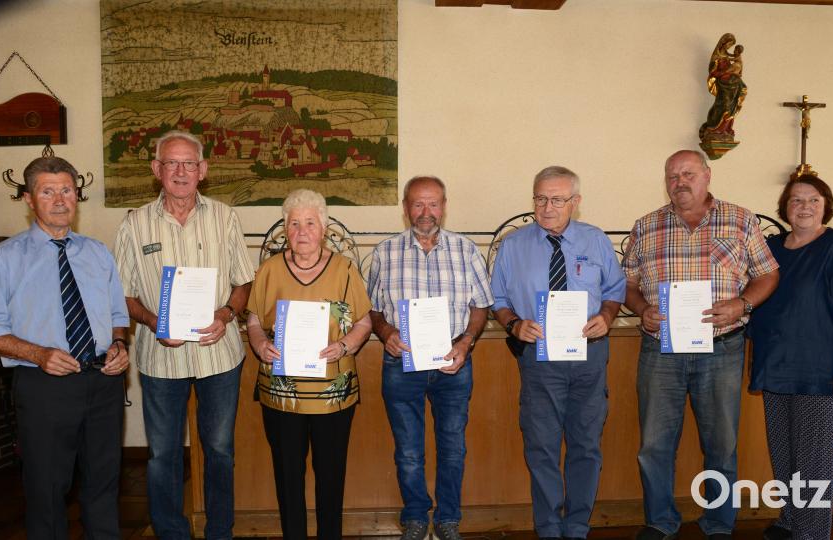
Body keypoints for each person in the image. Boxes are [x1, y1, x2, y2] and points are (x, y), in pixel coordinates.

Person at [0, 156, 129, 540]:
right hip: (44, 386)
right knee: (47, 491)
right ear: (29, 199)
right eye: (48, 191)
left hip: (103, 383)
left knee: (104, 487)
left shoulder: (97, 252)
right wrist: (39, 354)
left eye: (67, 190)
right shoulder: (2, 259)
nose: (60, 199)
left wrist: (120, 344)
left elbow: (117, 312)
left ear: (77, 196)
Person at [622, 150, 780, 540]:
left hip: (722, 349)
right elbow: (626, 284)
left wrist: (742, 304)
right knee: (654, 445)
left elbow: (768, 275)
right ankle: (660, 521)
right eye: (672, 175)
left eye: (688, 173)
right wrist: (641, 308)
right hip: (660, 350)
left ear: (707, 176)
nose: (680, 182)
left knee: (721, 444)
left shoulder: (740, 220)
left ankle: (719, 524)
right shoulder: (646, 226)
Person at [114, 131, 255, 540]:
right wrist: (152, 319)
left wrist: (227, 313)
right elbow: (122, 294)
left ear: (203, 170)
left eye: (188, 163)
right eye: (171, 163)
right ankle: (172, 533)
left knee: (220, 451)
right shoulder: (134, 224)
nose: (180, 171)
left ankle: (220, 532)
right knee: (162, 455)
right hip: (161, 358)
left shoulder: (225, 217)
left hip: (219, 356)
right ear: (156, 170)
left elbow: (243, 283)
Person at [491, 166, 626, 540]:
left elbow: (615, 289)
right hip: (539, 360)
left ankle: (578, 525)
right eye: (539, 198)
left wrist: (607, 316)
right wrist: (514, 323)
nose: (547, 207)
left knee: (586, 444)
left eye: (557, 199)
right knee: (542, 445)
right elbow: (497, 300)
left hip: (590, 356)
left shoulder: (596, 240)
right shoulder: (514, 245)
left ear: (575, 203)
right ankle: (549, 528)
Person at [367, 176, 494, 540]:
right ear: (405, 207)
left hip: (453, 364)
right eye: (418, 204)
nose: (426, 212)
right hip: (401, 364)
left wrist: (467, 341)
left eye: (434, 203)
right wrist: (386, 332)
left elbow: (481, 306)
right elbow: (372, 311)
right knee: (408, 451)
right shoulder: (384, 252)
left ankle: (449, 519)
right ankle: (416, 518)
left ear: (444, 205)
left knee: (453, 448)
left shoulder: (466, 250)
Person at [748, 175, 833, 540]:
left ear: (825, 206)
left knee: (816, 464)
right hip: (776, 369)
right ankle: (790, 521)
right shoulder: (771, 247)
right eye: (796, 200)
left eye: (813, 200)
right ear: (785, 207)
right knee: (785, 456)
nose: (804, 206)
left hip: (822, 373)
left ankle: (812, 533)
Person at [246, 188, 372, 540]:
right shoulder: (269, 270)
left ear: (324, 228)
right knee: (287, 477)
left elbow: (364, 320)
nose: (302, 231)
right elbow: (254, 317)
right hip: (282, 393)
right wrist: (258, 342)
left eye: (310, 223)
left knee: (331, 476)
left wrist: (346, 344)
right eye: (294, 223)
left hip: (333, 395)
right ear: (285, 228)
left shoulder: (346, 269)